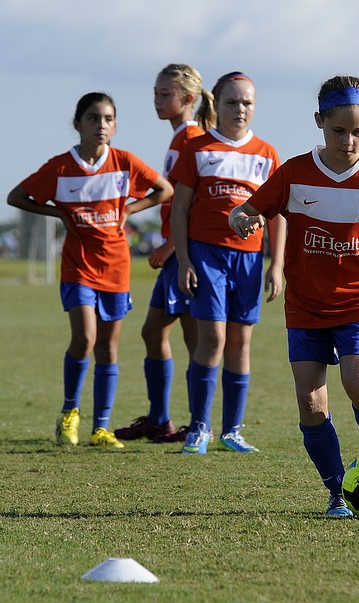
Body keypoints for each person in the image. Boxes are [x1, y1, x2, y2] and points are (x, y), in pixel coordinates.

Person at [228, 74, 359, 518]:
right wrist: (239, 219)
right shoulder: (295, 173)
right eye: (338, 131)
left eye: (357, 132)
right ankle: (338, 492)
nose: (348, 141)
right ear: (319, 122)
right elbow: (248, 210)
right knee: (310, 402)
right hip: (304, 304)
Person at [7, 92, 174, 448]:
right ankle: (70, 413)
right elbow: (16, 197)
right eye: (94, 118)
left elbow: (165, 189)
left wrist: (130, 209)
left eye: (109, 119)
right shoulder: (60, 168)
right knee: (85, 338)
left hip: (116, 267)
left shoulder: (124, 162)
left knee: (108, 350)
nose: (102, 125)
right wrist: (59, 213)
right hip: (78, 267)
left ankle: (101, 427)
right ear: (77, 124)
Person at [169, 71, 286, 454]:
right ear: (216, 104)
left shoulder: (266, 154)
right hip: (206, 254)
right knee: (213, 338)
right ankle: (198, 427)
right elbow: (180, 208)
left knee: (241, 341)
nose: (240, 109)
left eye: (248, 103)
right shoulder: (197, 148)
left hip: (249, 259)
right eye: (233, 102)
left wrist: (276, 263)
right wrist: (183, 259)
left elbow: (278, 214)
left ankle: (232, 430)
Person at [114, 64, 216, 444]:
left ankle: (187, 422)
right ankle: (172, 420)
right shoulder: (182, 138)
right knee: (177, 334)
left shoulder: (190, 139)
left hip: (184, 252)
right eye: (155, 93)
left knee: (180, 335)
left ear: (188, 99)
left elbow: (190, 201)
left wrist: (171, 245)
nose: (157, 101)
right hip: (183, 250)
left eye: (165, 94)